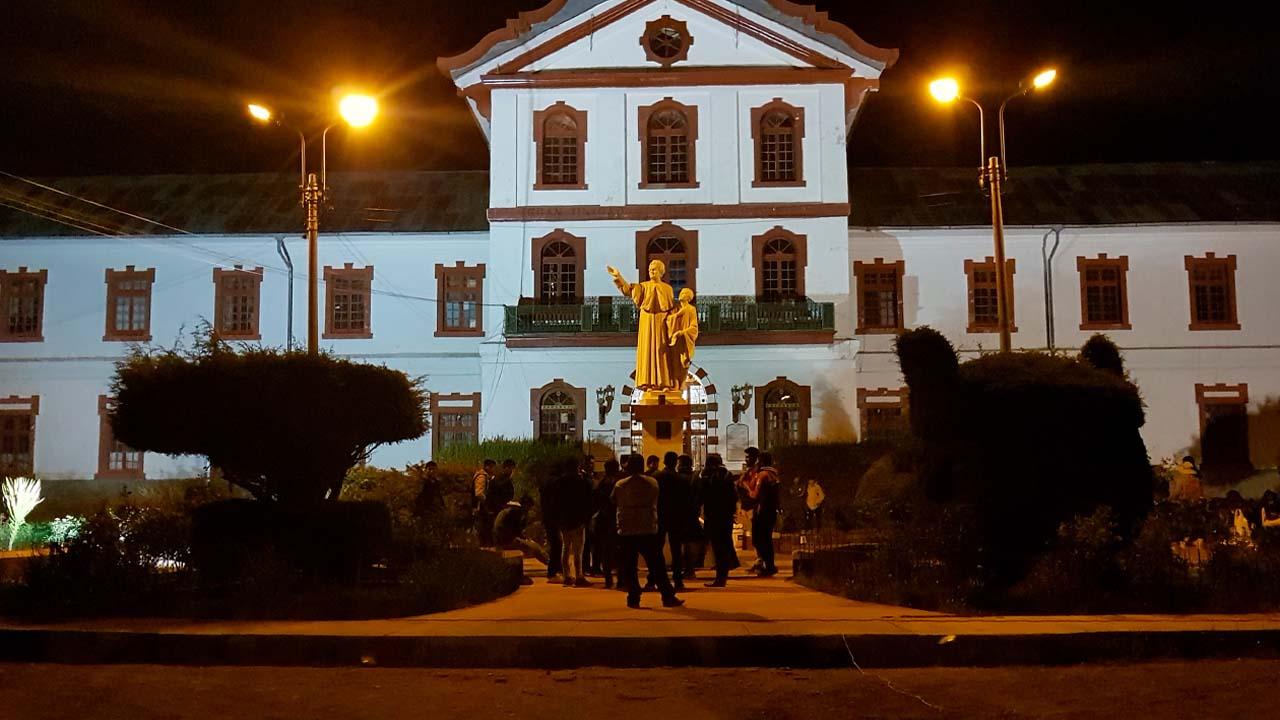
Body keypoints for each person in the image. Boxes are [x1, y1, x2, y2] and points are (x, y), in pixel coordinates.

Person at [612, 454, 683, 609]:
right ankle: (667, 595)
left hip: (626, 529)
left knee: (629, 566)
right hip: (647, 528)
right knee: (657, 565)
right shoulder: (652, 483)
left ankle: (633, 596)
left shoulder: (620, 485)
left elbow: (613, 501)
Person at [699, 453, 740, 587]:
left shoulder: (708, 477)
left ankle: (720, 578)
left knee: (717, 547)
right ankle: (723, 575)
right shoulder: (727, 476)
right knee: (725, 544)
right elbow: (734, 496)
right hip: (726, 516)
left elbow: (703, 494)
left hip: (713, 516)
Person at [657, 451, 695, 592]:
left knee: (657, 548)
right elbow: (688, 500)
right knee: (676, 550)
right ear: (675, 463)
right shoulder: (681, 480)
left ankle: (654, 578)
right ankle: (678, 579)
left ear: (664, 461)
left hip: (660, 516)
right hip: (676, 517)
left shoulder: (657, 477)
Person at [493, 495, 549, 584]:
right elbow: (515, 530)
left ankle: (550, 563)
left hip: (502, 539)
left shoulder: (512, 510)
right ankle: (551, 565)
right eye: (529, 506)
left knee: (533, 545)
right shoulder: (514, 512)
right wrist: (526, 540)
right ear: (525, 504)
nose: (529, 509)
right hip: (505, 540)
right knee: (535, 548)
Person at [557, 456, 594, 587]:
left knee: (565, 547)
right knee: (578, 550)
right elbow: (589, 499)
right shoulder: (582, 481)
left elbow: (556, 501)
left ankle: (567, 575)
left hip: (564, 519)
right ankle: (579, 576)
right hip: (579, 519)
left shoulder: (560, 481)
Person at [748, 451, 781, 577]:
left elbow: (754, 494)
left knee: (757, 539)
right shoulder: (774, 475)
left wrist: (746, 486)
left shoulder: (762, 475)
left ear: (760, 461)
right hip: (771, 511)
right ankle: (770, 565)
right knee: (767, 539)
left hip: (761, 511)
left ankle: (768, 565)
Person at [592, 458, 622, 589]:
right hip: (617, 520)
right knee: (620, 550)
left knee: (606, 551)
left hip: (604, 520)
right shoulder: (620, 483)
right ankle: (621, 579)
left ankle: (608, 578)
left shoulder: (601, 483)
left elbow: (596, 502)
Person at [472, 459, 497, 546]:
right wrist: (487, 502)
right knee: (483, 531)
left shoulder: (486, 476)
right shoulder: (482, 477)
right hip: (481, 509)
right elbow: (479, 493)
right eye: (492, 467)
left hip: (482, 508)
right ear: (487, 467)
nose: (493, 469)